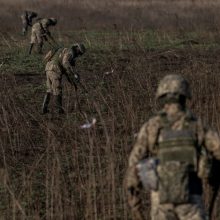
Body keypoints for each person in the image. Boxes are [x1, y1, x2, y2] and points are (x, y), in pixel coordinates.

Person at [126, 74, 220, 220]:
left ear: (162, 97)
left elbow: (134, 163)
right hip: (191, 196)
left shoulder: (153, 126)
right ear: (184, 97)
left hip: (161, 199)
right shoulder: (197, 125)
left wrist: (134, 201)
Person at [42, 43, 86, 114]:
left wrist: (72, 78)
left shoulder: (62, 49)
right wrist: (73, 74)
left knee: (49, 89)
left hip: (48, 68)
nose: (79, 55)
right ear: (77, 49)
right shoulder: (69, 52)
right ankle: (59, 110)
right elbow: (65, 64)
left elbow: (46, 57)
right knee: (57, 89)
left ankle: (44, 109)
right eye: (79, 53)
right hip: (55, 69)